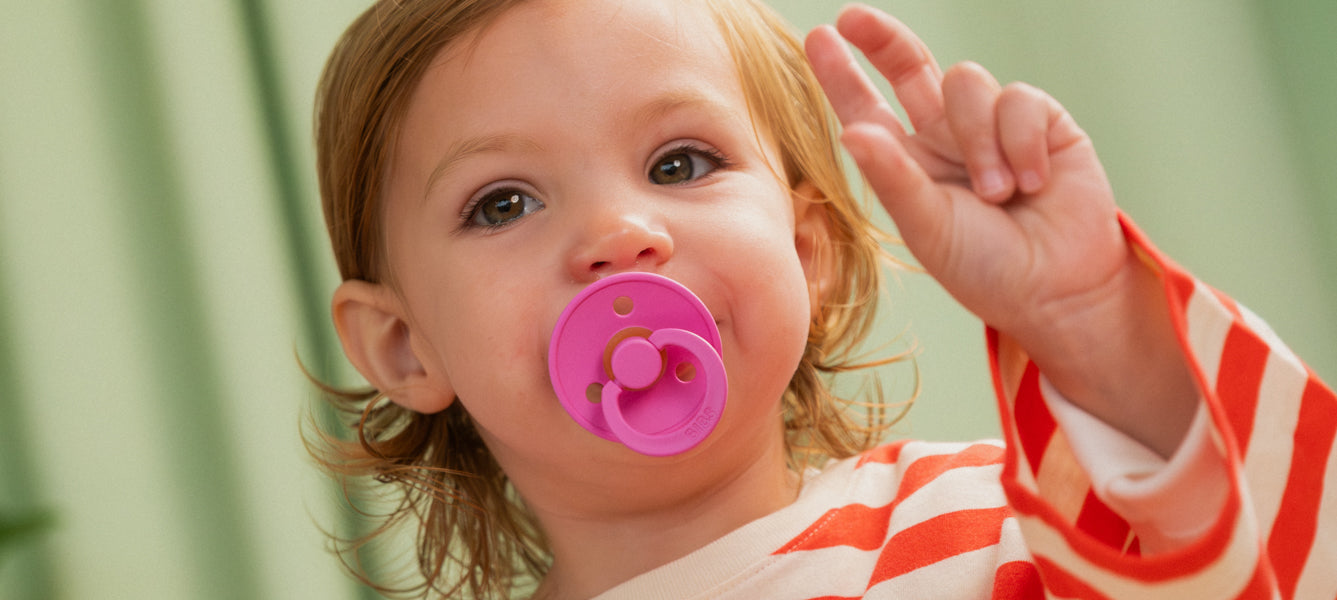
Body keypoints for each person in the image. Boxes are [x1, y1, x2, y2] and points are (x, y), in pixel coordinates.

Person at [308, 0, 1336, 598]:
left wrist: (1090, 322)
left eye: (677, 163)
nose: (618, 236)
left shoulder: (991, 529)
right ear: (402, 347)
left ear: (808, 252)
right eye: (502, 203)